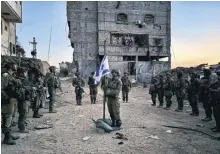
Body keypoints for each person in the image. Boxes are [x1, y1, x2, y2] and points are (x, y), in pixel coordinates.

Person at [1, 62, 21, 145]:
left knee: (11, 116)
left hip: (11, 99)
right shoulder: (5, 75)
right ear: (11, 67)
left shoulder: (10, 75)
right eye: (14, 66)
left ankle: (9, 134)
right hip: (7, 100)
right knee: (7, 117)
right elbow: (1, 88)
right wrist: (6, 97)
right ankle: (6, 137)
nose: (15, 67)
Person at [16, 67, 35, 133]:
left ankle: (23, 125)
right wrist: (31, 88)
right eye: (25, 72)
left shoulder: (24, 79)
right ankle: (22, 128)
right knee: (23, 113)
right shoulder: (19, 80)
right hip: (22, 99)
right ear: (22, 73)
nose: (26, 73)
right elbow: (22, 88)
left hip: (25, 98)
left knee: (25, 112)